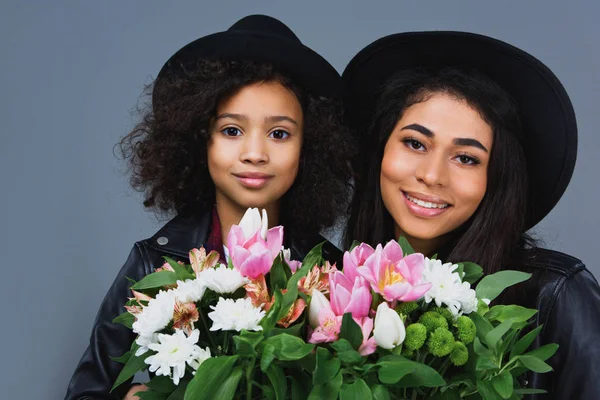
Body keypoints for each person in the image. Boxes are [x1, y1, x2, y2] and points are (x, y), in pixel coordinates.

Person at [65, 15, 353, 399]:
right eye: (231, 130)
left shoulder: (331, 272)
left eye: (279, 133)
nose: (254, 153)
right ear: (200, 141)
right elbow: (86, 392)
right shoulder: (152, 263)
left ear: (310, 148)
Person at [343, 31, 600, 398]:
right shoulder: (337, 295)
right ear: (380, 150)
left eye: (466, 158)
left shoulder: (554, 297)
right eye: (415, 143)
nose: (431, 175)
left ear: (494, 180)